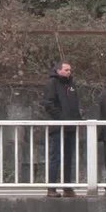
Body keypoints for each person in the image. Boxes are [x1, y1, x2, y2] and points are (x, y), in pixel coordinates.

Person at [41, 60, 83, 197]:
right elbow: (48, 103)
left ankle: (67, 187)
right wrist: (61, 118)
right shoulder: (52, 83)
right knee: (56, 157)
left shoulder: (71, 85)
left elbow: (75, 104)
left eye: (70, 70)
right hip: (58, 126)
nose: (68, 72)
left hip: (71, 126)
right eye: (66, 70)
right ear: (58, 70)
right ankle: (52, 188)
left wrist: (77, 119)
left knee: (69, 157)